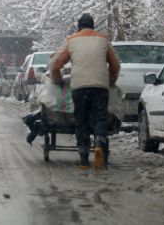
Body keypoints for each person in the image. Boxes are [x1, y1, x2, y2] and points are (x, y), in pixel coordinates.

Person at [51, 13, 120, 168]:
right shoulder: (103, 40)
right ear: (93, 26)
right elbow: (115, 65)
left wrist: (58, 81)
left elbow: (56, 65)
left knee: (81, 119)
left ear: (79, 26)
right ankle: (99, 142)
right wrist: (110, 81)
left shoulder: (72, 40)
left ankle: (83, 156)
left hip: (79, 86)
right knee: (100, 117)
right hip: (100, 86)